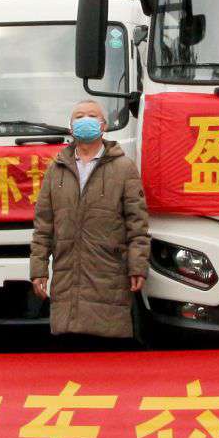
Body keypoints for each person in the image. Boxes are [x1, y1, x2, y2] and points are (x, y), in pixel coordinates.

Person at [29, 99, 149, 340]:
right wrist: (38, 269)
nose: (86, 120)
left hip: (108, 276)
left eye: (92, 116)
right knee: (70, 353)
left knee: (105, 352)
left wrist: (138, 266)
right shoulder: (56, 170)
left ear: (103, 126)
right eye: (79, 116)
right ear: (71, 127)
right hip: (66, 277)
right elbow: (43, 226)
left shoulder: (124, 168)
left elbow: (137, 224)